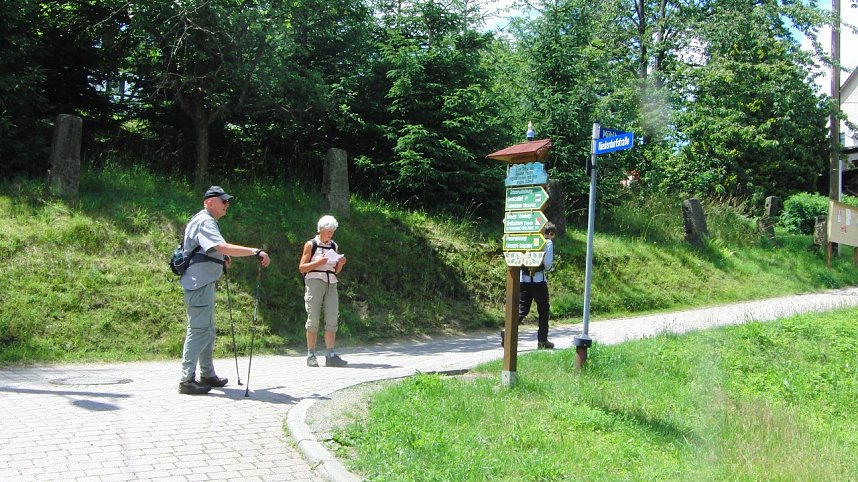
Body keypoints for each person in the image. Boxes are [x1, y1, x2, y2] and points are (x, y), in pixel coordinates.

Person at [178, 186, 271, 395]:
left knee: (207, 331)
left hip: (201, 282)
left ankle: (207, 374)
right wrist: (255, 252)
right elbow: (223, 246)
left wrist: (220, 258)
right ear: (209, 202)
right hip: (198, 284)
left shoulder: (207, 220)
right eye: (223, 201)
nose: (227, 204)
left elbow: (211, 250)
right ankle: (186, 380)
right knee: (199, 331)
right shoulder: (205, 221)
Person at [299, 215, 348, 367]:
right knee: (313, 319)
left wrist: (340, 264)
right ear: (320, 230)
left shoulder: (333, 246)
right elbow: (302, 267)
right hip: (314, 282)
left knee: (332, 318)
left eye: (332, 232)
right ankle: (311, 354)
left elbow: (335, 271)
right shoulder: (311, 244)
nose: (330, 234)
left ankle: (330, 355)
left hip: (331, 283)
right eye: (328, 231)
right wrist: (318, 262)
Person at [501, 222, 557, 349]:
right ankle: (542, 341)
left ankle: (507, 331)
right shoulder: (547, 242)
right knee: (543, 310)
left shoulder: (528, 240)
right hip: (538, 281)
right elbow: (547, 264)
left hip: (523, 279)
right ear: (551, 234)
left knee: (522, 309)